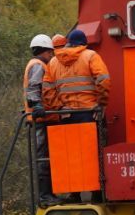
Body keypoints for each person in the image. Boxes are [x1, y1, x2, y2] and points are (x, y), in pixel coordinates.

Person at [42, 29, 111, 124]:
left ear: (68, 43)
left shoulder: (53, 62)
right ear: (84, 44)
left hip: (66, 114)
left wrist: (59, 107)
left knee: (70, 139)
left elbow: (47, 89)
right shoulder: (91, 56)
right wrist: (101, 104)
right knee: (92, 138)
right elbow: (103, 81)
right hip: (90, 112)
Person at [24, 34, 59, 206]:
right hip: (41, 118)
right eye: (50, 52)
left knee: (45, 157)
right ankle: (45, 195)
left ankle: (48, 194)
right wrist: (37, 105)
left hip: (39, 117)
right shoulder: (38, 66)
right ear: (44, 51)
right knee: (43, 157)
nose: (51, 56)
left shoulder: (34, 64)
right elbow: (34, 87)